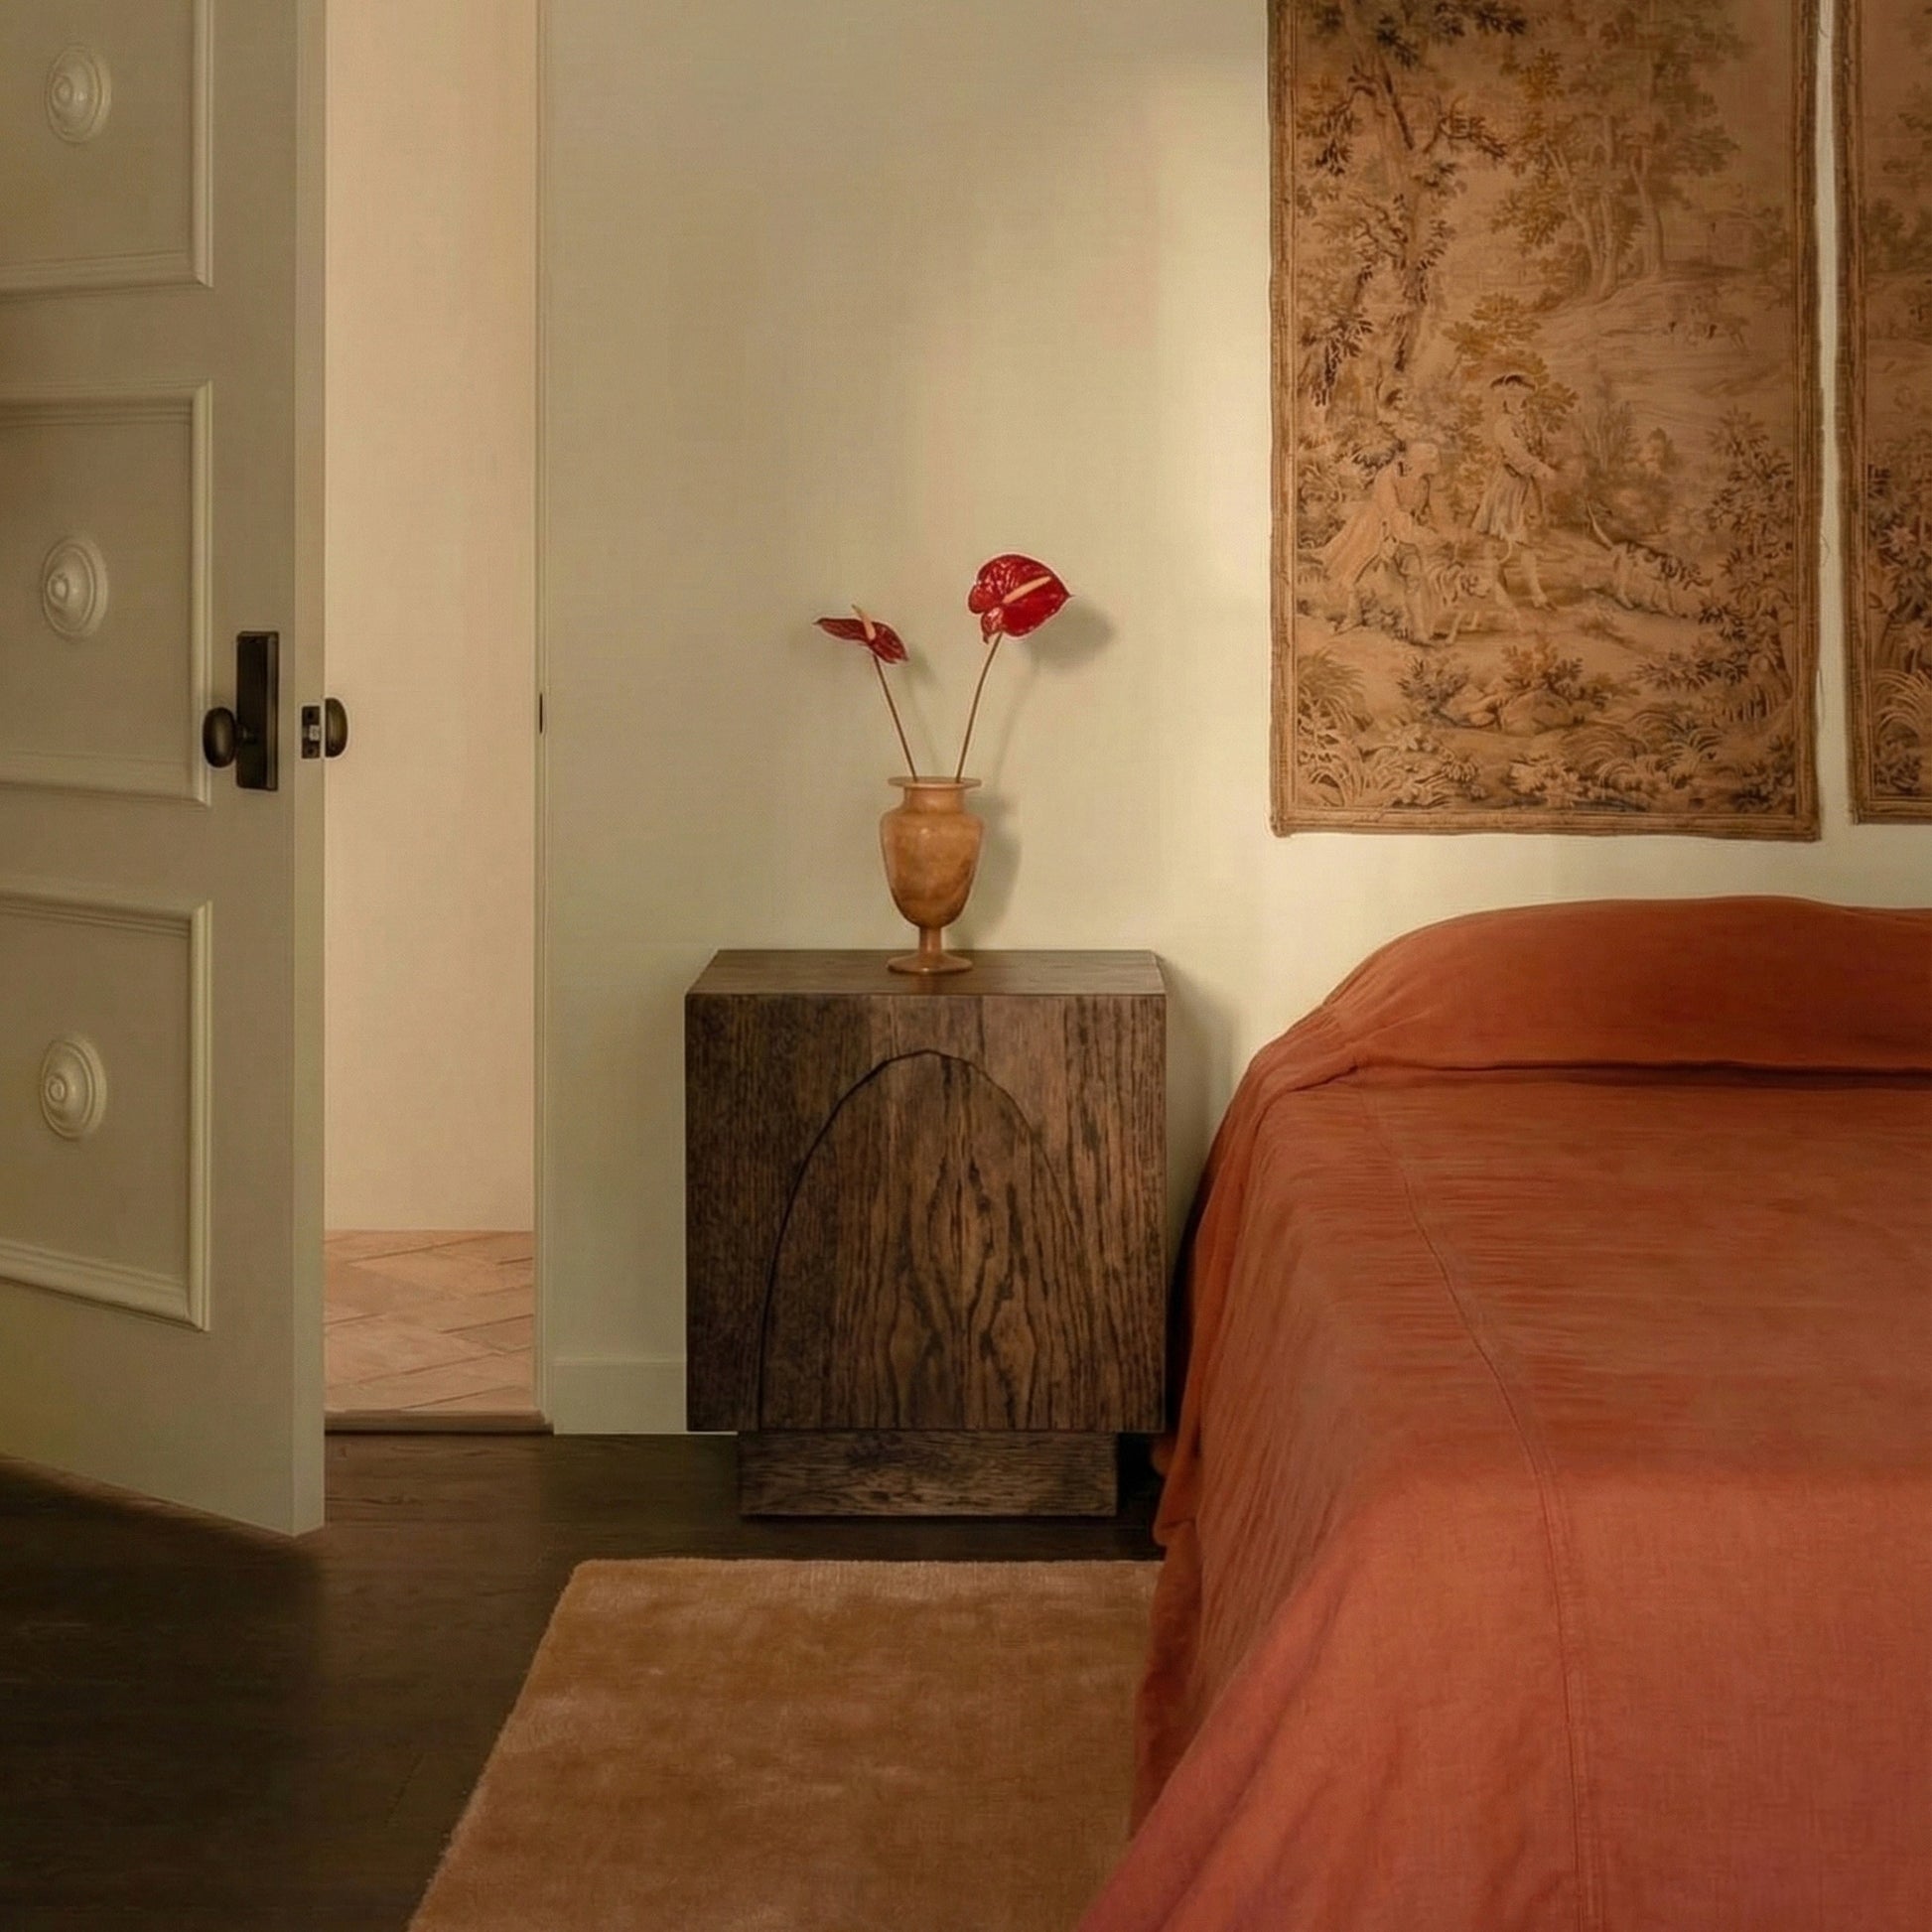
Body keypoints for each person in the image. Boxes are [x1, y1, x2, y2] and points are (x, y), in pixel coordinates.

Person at [1318, 440, 1442, 639]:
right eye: (1433, 459)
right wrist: (1413, 533)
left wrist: (1428, 531)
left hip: (1404, 533)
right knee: (1359, 572)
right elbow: (1390, 511)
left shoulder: (1423, 483)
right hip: (1374, 529)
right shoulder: (1388, 475)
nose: (1437, 463)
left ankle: (1419, 631)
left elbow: (1422, 513)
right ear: (1420, 461)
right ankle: (1352, 616)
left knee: (1415, 574)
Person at [1472, 373, 1559, 610]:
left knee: (1526, 540)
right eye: (1508, 388)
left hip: (1527, 487)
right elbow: (1514, 453)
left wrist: (1543, 464)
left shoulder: (1531, 421)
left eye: (1518, 388)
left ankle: (1537, 595)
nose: (1513, 392)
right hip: (1506, 485)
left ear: (1526, 392)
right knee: (1494, 537)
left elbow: (1540, 447)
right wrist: (1539, 467)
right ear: (1502, 393)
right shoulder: (1503, 423)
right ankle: (1495, 588)